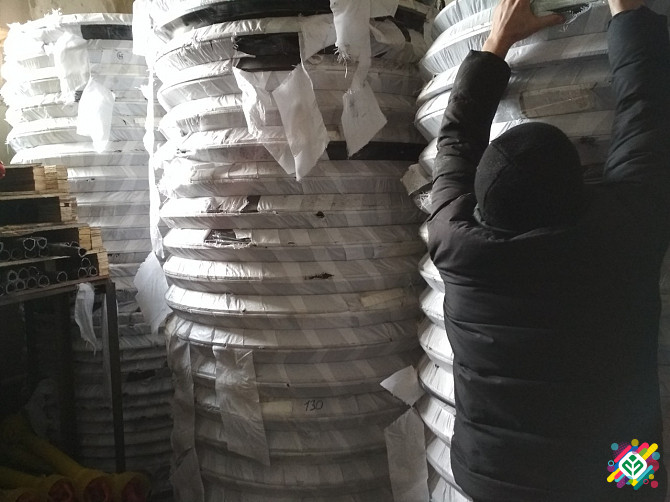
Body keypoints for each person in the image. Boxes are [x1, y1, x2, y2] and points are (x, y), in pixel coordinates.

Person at [427, 0, 670, 500]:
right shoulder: (624, 234)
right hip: (620, 476)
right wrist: (627, 12)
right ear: (582, 186)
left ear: (480, 198)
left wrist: (496, 42)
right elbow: (645, 112)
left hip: (490, 474)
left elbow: (454, 142)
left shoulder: (453, 241)